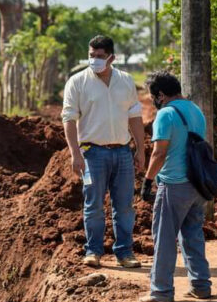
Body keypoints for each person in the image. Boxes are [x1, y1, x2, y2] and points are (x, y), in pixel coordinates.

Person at [62, 35, 145, 268]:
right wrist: (75, 153)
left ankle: (124, 252)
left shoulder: (126, 81)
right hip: (92, 154)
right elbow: (68, 119)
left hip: (122, 153)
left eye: (100, 57)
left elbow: (135, 116)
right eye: (91, 56)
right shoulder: (77, 82)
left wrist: (140, 150)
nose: (95, 60)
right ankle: (94, 251)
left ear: (112, 57)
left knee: (125, 206)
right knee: (94, 205)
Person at [140, 71, 211, 302]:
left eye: (153, 95)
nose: (153, 100)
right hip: (197, 185)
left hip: (173, 185)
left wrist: (147, 181)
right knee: (192, 235)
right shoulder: (196, 110)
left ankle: (160, 293)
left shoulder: (165, 114)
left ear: (160, 94)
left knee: (164, 239)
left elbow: (159, 153)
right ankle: (201, 285)